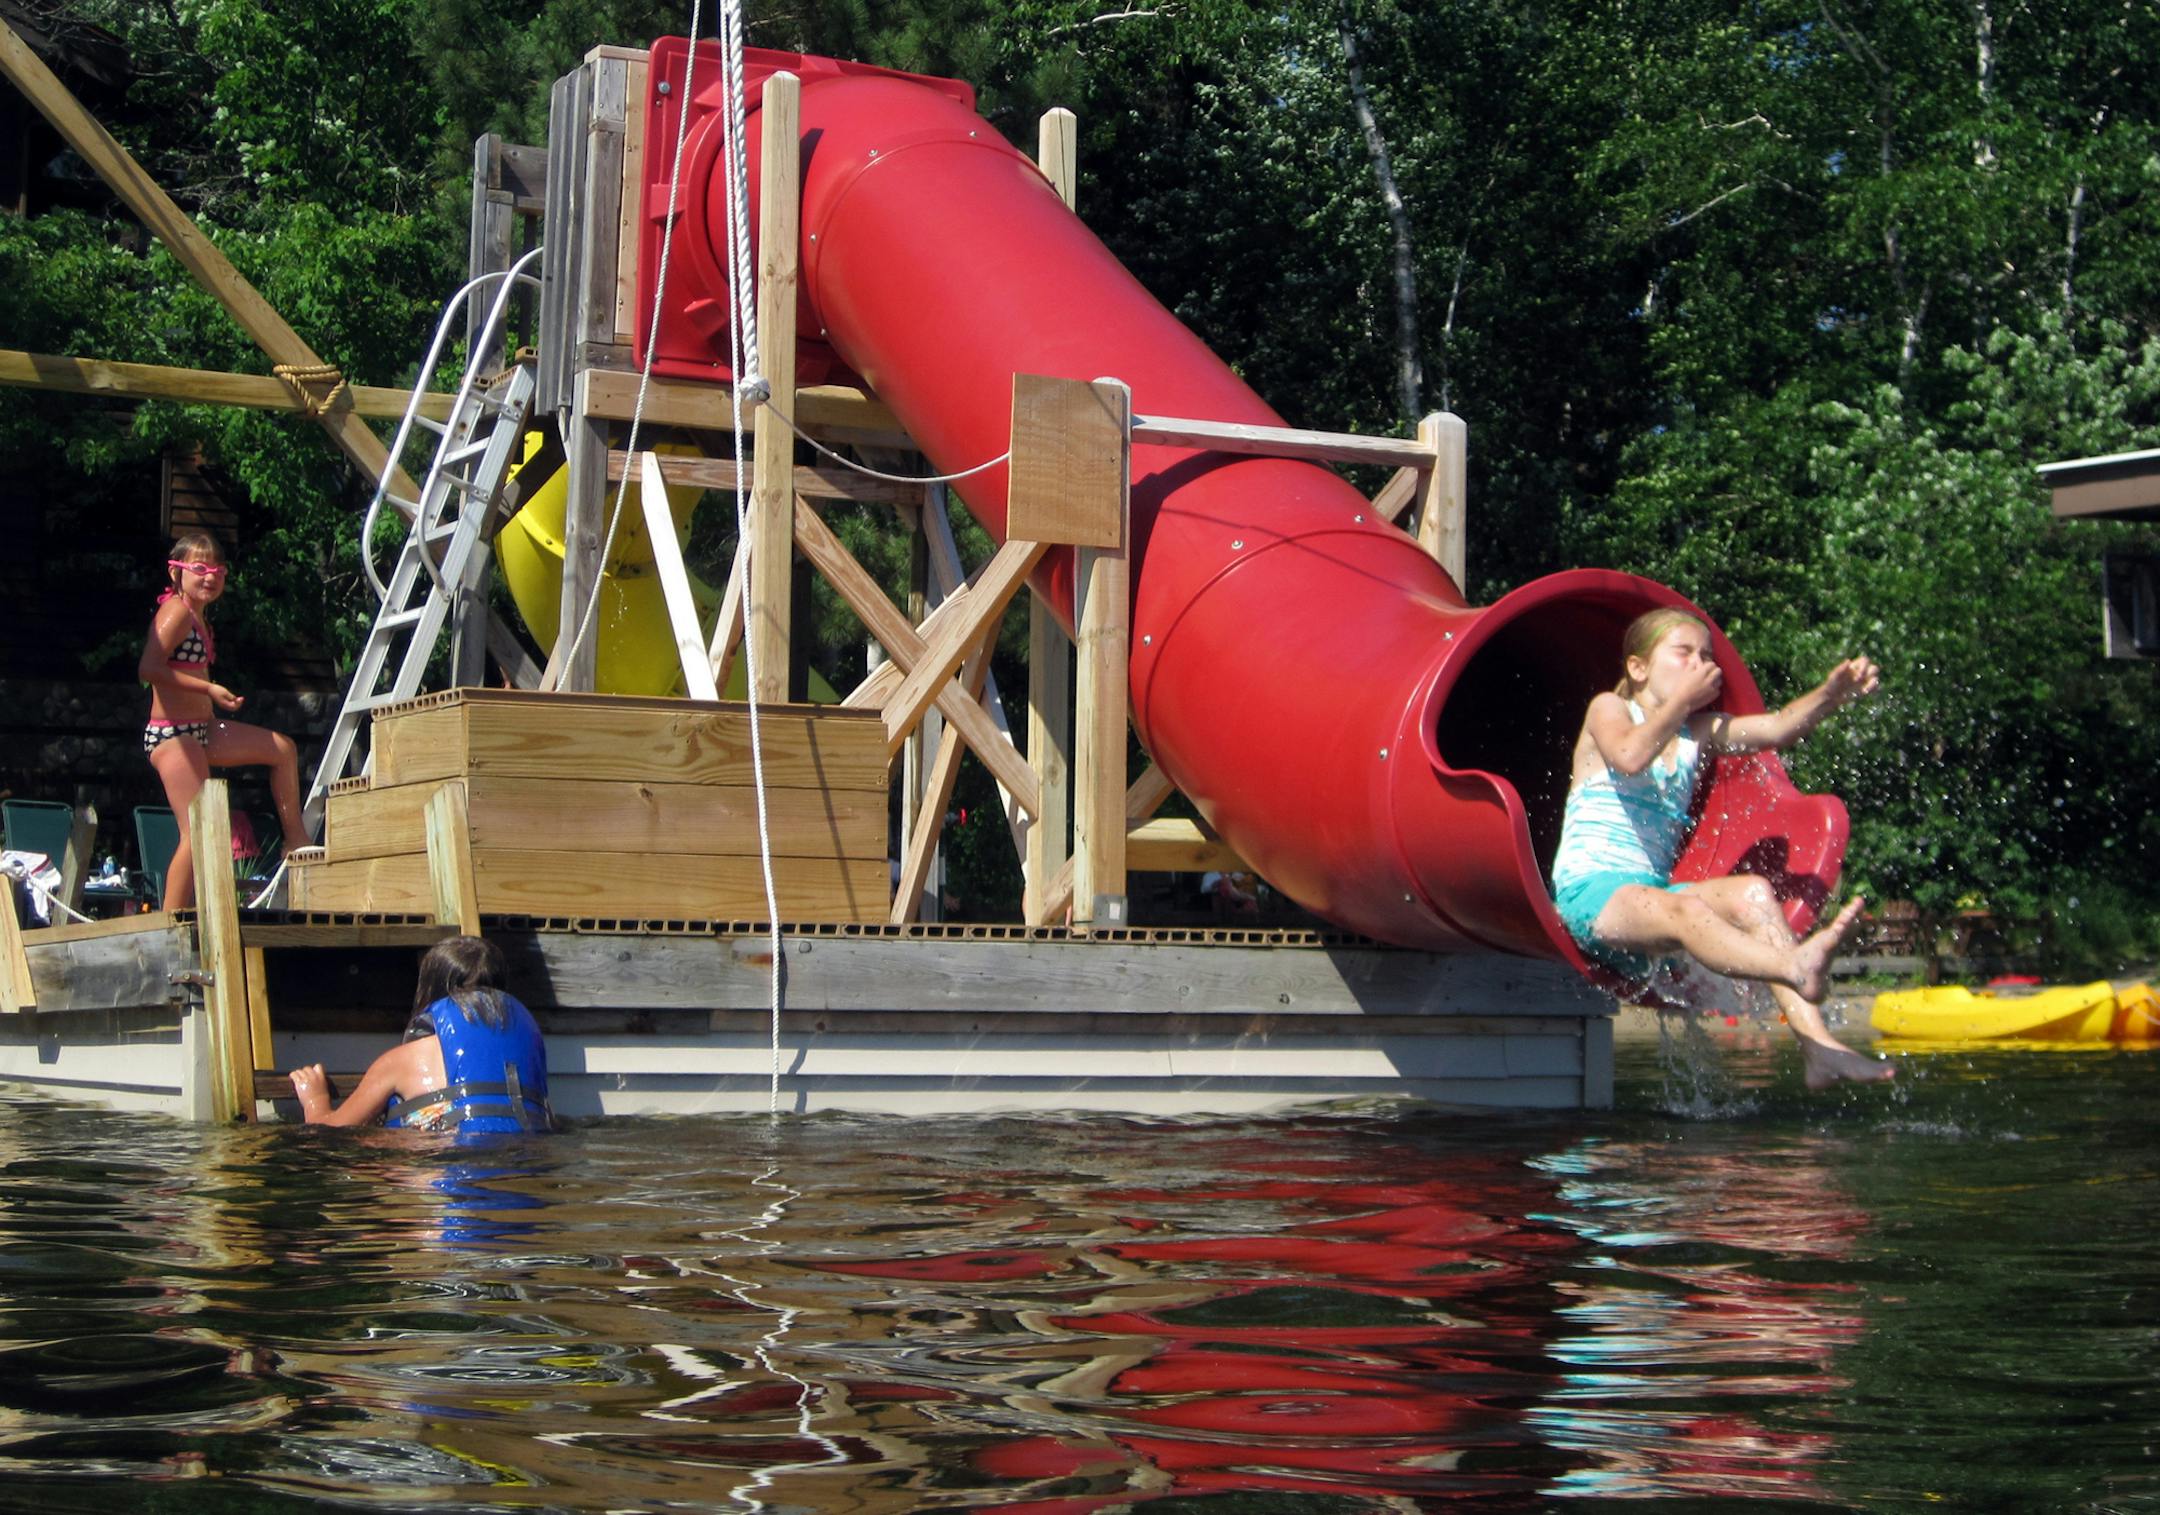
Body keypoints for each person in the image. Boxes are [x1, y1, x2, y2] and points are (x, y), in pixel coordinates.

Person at [1550, 608, 1893, 1089]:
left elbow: (1777, 728)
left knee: (1752, 892)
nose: (1699, 664)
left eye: (1706, 657)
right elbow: (1628, 757)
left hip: (1650, 897)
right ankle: (1794, 966)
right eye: (1684, 653)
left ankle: (1820, 1050)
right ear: (1638, 668)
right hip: (1592, 892)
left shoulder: (1698, 734)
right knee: (1683, 907)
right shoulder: (1610, 707)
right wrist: (1681, 704)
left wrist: (1830, 696)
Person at [137, 532, 308, 910]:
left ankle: (296, 842)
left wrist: (210, 697)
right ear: (175, 572)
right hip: (173, 737)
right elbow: (149, 668)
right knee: (197, 834)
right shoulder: (176, 612)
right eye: (199, 568)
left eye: (218, 570)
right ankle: (169, 921)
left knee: (283, 749)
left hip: (203, 731)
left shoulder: (198, 616)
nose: (210, 576)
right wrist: (210, 690)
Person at [288, 935, 554, 1131]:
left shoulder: (403, 1060)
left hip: (439, 1187)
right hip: (522, 1170)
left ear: (428, 990)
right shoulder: (528, 1047)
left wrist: (315, 1100)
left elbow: (330, 1131)